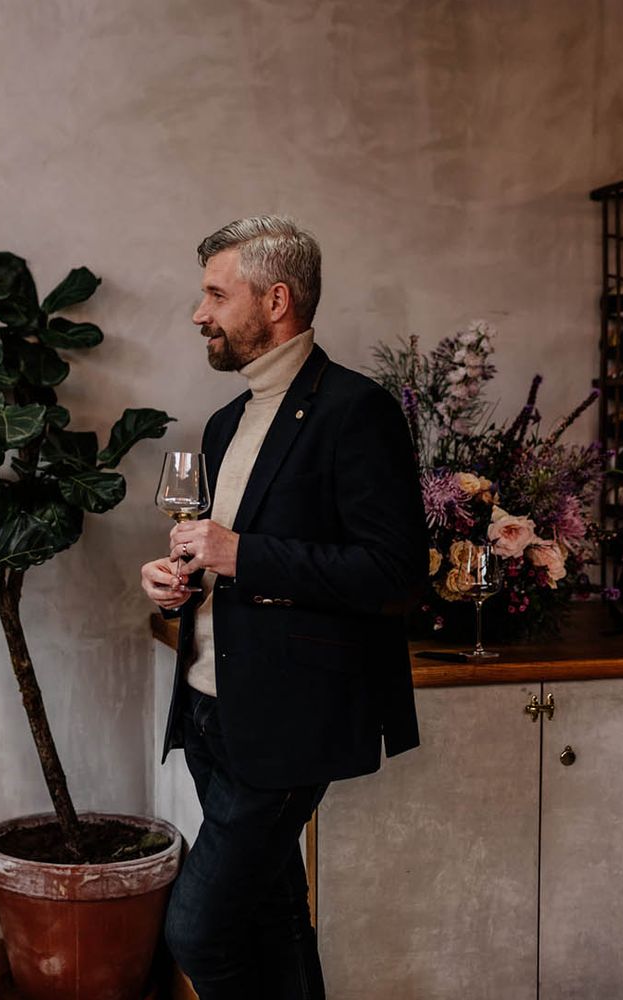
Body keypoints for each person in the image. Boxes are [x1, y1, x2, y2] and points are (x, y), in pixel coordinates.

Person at [140, 216, 429, 1000]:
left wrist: (241, 553)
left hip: (289, 721)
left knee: (198, 929)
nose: (199, 313)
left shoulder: (353, 410)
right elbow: (219, 559)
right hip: (206, 715)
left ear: (275, 300)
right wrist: (178, 582)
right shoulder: (228, 421)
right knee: (272, 915)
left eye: (214, 293)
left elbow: (397, 573)